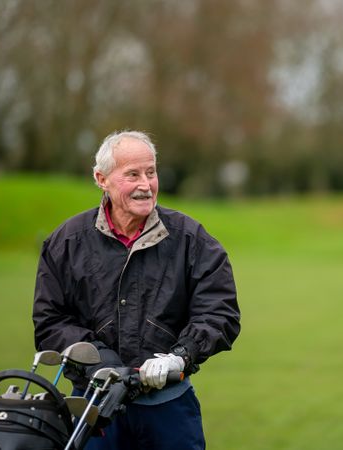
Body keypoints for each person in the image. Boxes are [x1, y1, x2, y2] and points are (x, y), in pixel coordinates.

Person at [32, 130, 241, 450]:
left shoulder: (191, 238)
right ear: (102, 179)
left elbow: (220, 313)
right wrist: (102, 362)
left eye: (151, 172)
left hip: (168, 407)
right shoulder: (66, 242)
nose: (146, 184)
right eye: (132, 174)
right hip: (93, 407)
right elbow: (50, 321)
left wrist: (180, 357)